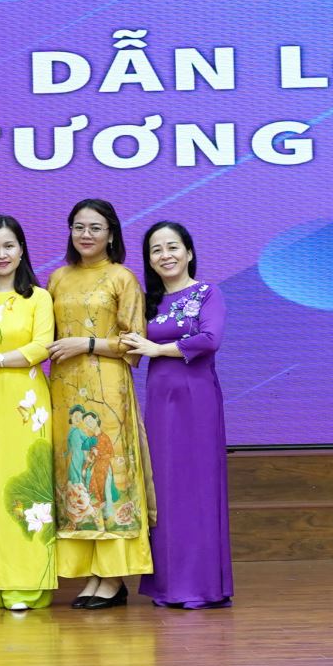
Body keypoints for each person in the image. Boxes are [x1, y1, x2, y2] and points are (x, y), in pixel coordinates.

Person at [46, 198, 154, 609]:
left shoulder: (122, 278)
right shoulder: (58, 278)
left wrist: (86, 343)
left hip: (107, 390)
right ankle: (92, 574)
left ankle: (114, 576)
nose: (86, 234)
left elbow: (134, 341)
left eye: (95, 227)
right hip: (64, 392)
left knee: (107, 472)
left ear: (111, 234)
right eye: (79, 227)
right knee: (75, 472)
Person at [124, 222, 232, 610]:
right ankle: (169, 586)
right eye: (156, 250)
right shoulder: (147, 302)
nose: (165, 255)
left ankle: (202, 587)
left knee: (198, 487)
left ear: (189, 252)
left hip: (196, 400)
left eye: (172, 247)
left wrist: (157, 349)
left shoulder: (207, 293)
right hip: (159, 401)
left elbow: (210, 339)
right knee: (164, 489)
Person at [0, 215, 57, 611]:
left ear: (21, 250)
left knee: (27, 486)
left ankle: (27, 584)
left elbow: (42, 347)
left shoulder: (39, 297)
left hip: (28, 404)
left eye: (8, 246)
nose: (1, 254)